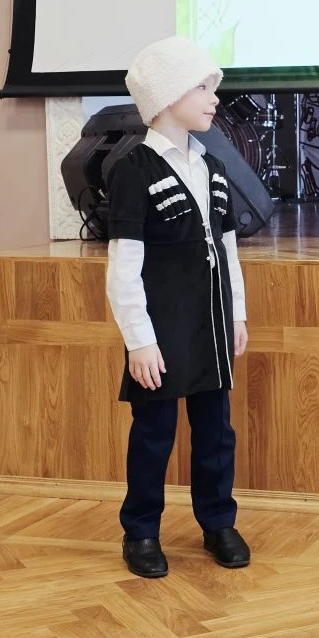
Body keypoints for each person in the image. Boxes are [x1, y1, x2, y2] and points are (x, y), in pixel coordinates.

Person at [105, 36, 250, 578]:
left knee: (216, 432)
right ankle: (141, 531)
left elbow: (227, 248)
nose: (215, 98)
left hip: (210, 324)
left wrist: (236, 314)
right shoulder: (134, 170)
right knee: (154, 435)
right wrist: (139, 340)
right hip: (161, 331)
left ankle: (218, 522)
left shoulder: (212, 167)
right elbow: (123, 265)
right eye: (202, 88)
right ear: (168, 96)